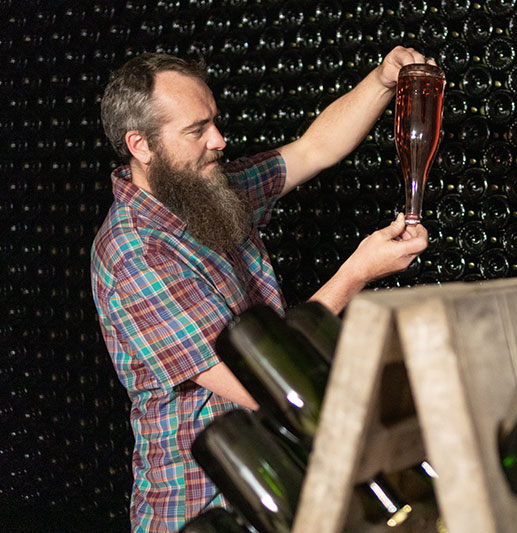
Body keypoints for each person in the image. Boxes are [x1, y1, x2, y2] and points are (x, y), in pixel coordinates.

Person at [91, 47, 430, 531]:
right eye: (196, 130)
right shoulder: (134, 255)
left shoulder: (204, 189)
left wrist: (381, 80)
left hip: (279, 480)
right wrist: (358, 273)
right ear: (141, 145)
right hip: (204, 505)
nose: (219, 141)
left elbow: (315, 149)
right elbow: (264, 383)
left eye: (214, 121)